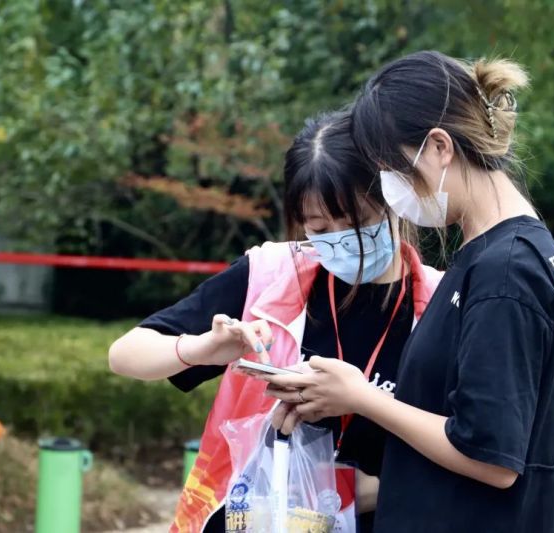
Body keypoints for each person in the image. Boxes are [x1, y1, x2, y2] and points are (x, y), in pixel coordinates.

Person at [265, 51, 554, 532]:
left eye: (391, 171)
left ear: (438, 147)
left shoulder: (505, 272)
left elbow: (491, 457)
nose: (391, 190)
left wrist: (363, 397)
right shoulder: (487, 253)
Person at [108, 110, 443, 533]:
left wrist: (352, 481)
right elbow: (125, 354)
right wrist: (201, 348)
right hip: (253, 519)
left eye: (355, 221)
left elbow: (469, 448)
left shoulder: (440, 304)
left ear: (394, 198)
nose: (340, 238)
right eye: (319, 226)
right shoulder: (268, 276)